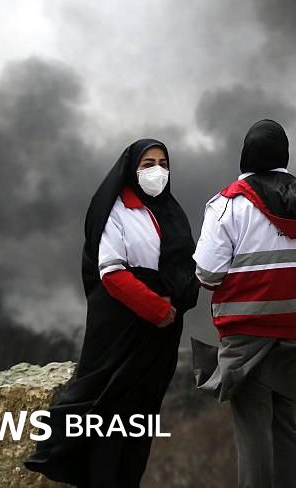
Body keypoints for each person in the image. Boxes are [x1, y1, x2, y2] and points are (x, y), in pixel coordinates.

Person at [25, 138, 200, 488]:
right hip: (122, 330)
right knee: (104, 411)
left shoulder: (171, 212)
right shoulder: (115, 210)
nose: (157, 171)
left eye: (163, 163)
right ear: (131, 168)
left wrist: (177, 303)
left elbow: (186, 266)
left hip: (161, 335)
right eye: (147, 164)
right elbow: (111, 272)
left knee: (139, 418)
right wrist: (157, 308)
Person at [192, 119, 296, 488]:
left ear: (246, 155)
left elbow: (207, 275)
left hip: (246, 337)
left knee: (253, 432)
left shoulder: (227, 206)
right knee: (292, 425)